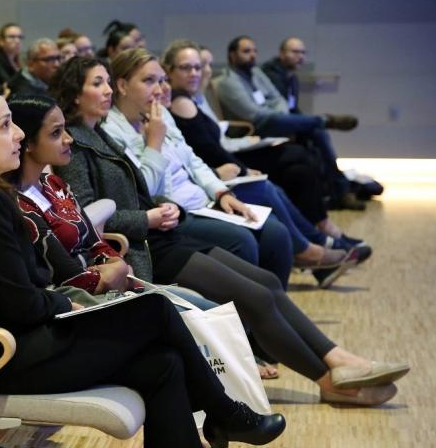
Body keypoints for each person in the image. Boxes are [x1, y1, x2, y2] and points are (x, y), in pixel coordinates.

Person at [0, 84, 288, 448]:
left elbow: (25, 290)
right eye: (5, 125)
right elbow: (22, 302)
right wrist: (64, 303)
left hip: (19, 339)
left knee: (163, 365)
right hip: (1, 354)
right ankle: (224, 412)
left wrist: (57, 300)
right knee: (153, 309)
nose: (16, 136)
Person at [50, 56, 409, 405]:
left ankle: (338, 358)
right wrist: (149, 217)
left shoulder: (100, 134)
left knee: (266, 283)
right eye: (97, 84)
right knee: (255, 296)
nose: (108, 90)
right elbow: (85, 217)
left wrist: (170, 204)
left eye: (107, 82)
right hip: (143, 247)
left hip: (161, 233)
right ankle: (330, 379)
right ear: (75, 93)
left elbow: (142, 184)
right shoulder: (77, 144)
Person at [102, 48, 310, 288]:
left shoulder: (160, 114)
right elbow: (146, 192)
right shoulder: (111, 131)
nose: (159, 90)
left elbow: (193, 160)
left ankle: (270, 312)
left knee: (277, 233)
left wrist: (221, 192)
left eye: (161, 81)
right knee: (242, 241)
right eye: (149, 81)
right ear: (122, 85)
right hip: (175, 213)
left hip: (203, 202)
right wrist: (154, 144)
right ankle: (247, 317)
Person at [162, 39, 369, 270]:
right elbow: (208, 151)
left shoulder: (189, 99)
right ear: (168, 71)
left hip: (220, 169)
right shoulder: (180, 103)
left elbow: (205, 149)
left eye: (198, 67)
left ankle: (319, 243)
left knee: (298, 164)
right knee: (274, 181)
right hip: (212, 179)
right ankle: (313, 248)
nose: (195, 73)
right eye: (186, 67)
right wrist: (241, 169)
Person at [215, 36, 363, 210]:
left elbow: (278, 99)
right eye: (246, 51)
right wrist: (277, 115)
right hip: (254, 128)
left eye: (255, 51)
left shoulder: (256, 73)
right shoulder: (228, 81)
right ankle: (324, 120)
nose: (253, 55)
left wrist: (279, 114)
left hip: (273, 119)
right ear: (232, 55)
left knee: (317, 134)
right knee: (308, 134)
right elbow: (252, 114)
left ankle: (333, 192)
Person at [0, 22, 22, 93]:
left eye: (20, 37)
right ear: (1, 41)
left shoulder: (18, 63)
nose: (17, 41)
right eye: (12, 37)